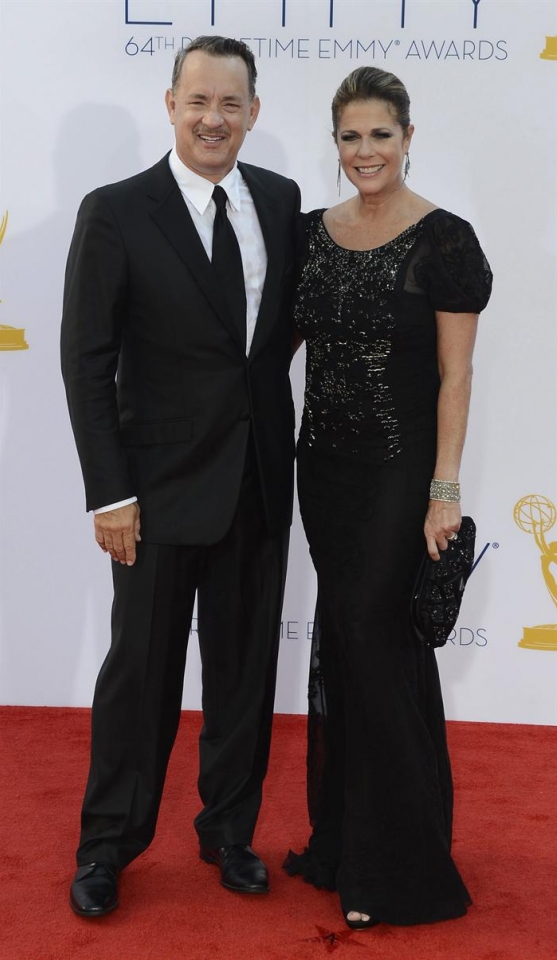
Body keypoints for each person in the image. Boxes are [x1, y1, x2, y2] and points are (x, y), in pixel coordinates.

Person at [61, 36, 300, 917]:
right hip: (154, 497)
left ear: (252, 114)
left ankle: (228, 832)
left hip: (258, 485)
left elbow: (270, 343)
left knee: (242, 675)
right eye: (198, 100)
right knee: (141, 680)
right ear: (170, 105)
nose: (213, 118)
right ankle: (107, 846)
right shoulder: (116, 211)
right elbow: (86, 361)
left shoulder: (279, 202)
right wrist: (109, 491)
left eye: (230, 104)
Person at [283, 66, 492, 929]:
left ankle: (399, 867)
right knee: (346, 642)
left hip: (400, 474)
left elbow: (454, 375)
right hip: (322, 471)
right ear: (333, 144)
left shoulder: (444, 241)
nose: (363, 151)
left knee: (375, 649)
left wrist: (444, 490)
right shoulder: (305, 234)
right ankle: (344, 842)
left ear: (408, 137)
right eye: (349, 136)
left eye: (379, 134)